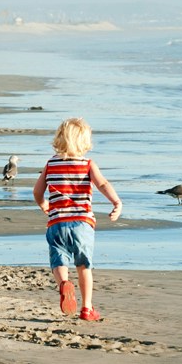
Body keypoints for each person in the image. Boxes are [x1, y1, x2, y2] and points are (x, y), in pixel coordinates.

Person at [32, 117, 121, 322]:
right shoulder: (88, 164)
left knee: (59, 260)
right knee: (83, 266)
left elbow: (37, 191)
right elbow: (103, 184)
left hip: (56, 224)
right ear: (85, 142)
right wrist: (117, 203)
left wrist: (44, 204)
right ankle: (87, 308)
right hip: (82, 224)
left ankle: (64, 283)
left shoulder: (50, 164)